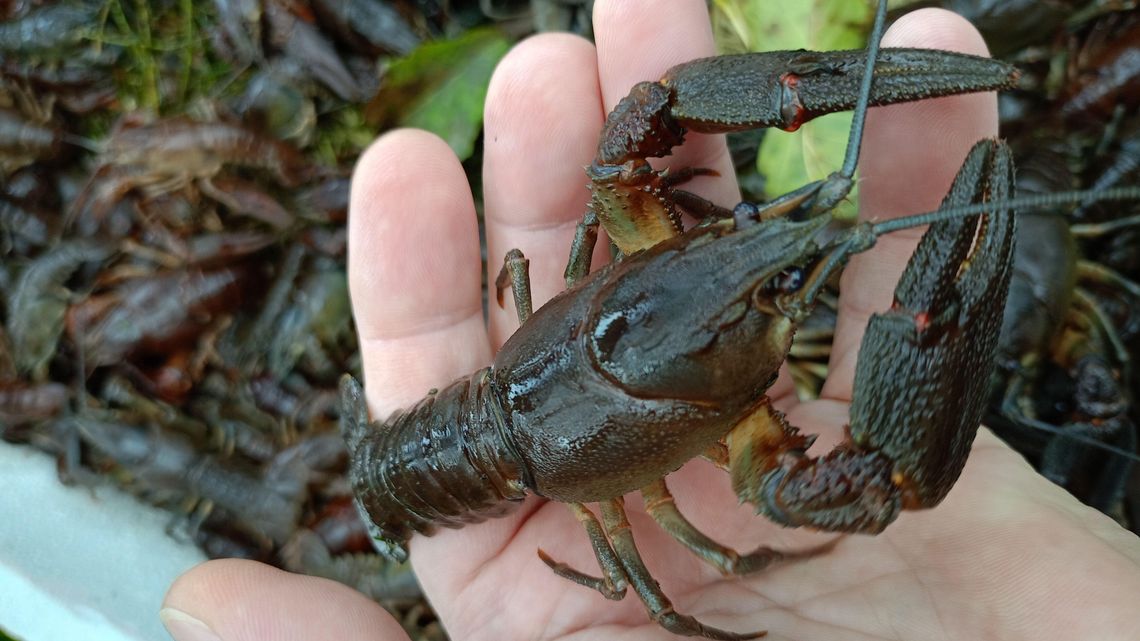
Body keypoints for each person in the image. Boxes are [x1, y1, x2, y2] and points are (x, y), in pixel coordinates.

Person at [161, 3, 1140, 640]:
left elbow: (645, 126)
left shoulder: (626, 237)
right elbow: (875, 486)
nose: (752, 232)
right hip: (440, 462)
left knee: (651, 112)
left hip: (542, 384)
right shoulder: (711, 443)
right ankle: (384, 488)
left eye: (744, 233)